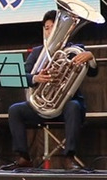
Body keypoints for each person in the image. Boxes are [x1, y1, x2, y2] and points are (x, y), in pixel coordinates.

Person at [8, 9, 98, 170]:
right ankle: (24, 157)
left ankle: (69, 157)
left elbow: (93, 73)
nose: (50, 31)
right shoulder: (37, 52)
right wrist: (36, 78)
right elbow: (22, 75)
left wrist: (91, 58)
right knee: (15, 110)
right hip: (41, 105)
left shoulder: (75, 49)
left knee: (74, 106)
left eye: (54, 27)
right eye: (47, 28)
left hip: (65, 104)